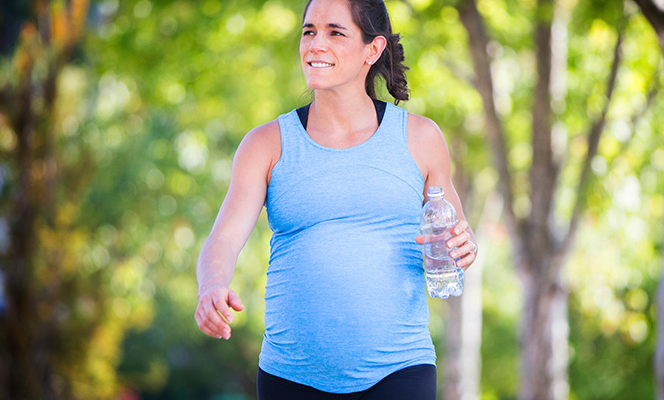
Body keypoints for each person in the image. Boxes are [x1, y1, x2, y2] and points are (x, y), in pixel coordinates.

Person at [194, 0, 478, 398]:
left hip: (400, 370)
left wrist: (464, 247)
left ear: (372, 49)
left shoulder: (421, 138)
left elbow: (457, 236)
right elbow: (223, 239)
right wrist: (211, 286)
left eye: (335, 32)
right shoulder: (266, 145)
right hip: (291, 376)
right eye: (309, 31)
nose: (315, 44)